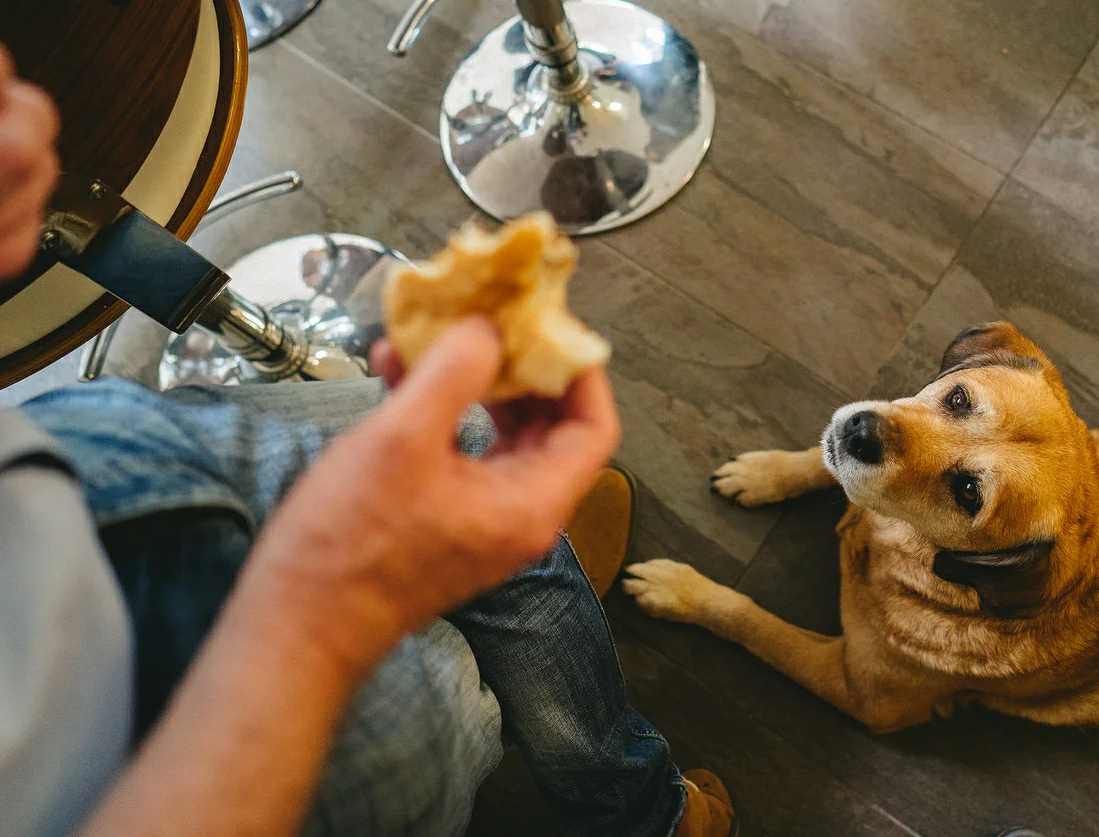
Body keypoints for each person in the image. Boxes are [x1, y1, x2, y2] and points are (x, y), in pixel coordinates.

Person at [0, 43, 736, 837]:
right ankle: (540, 687)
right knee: (442, 709)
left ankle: (616, 776)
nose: (31, 118)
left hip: (72, 460)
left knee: (468, 441)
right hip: (131, 762)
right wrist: (333, 604)